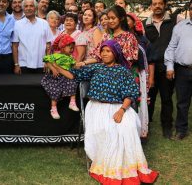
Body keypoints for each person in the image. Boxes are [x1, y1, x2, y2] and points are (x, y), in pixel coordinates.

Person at [55, 40, 158, 184]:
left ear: (115, 53)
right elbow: (73, 75)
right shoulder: (95, 68)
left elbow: (130, 94)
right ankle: (109, 166)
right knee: (109, 129)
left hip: (119, 107)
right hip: (96, 107)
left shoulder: (123, 71)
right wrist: (55, 66)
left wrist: (122, 111)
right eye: (102, 51)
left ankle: (126, 168)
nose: (104, 53)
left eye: (108, 51)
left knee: (128, 126)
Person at [143, 0, 176, 139]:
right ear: (151, 6)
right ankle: (146, 125)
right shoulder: (144, 24)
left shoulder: (175, 21)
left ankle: (167, 126)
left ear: (165, 5)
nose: (157, 6)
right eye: (154, 3)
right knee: (149, 97)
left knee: (166, 98)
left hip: (167, 67)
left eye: (160, 3)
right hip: (150, 67)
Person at [164, 0, 192, 140]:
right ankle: (181, 130)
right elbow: (171, 47)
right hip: (183, 70)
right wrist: (170, 66)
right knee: (182, 102)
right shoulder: (180, 27)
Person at [127, 12, 154, 139]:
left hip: (138, 74)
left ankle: (138, 131)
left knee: (137, 101)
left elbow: (150, 59)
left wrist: (151, 78)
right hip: (123, 74)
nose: (126, 22)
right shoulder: (117, 37)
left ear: (134, 22)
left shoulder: (142, 39)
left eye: (129, 19)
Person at [41, 34, 79, 119]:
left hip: (65, 76)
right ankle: (53, 108)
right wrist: (53, 69)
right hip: (56, 76)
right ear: (63, 47)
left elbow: (73, 65)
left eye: (73, 48)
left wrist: (76, 66)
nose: (72, 50)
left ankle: (72, 102)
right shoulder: (56, 55)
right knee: (55, 89)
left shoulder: (71, 58)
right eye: (70, 47)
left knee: (73, 83)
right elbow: (46, 60)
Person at [12, 0, 53, 74]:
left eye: (31, 6)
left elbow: (48, 45)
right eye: (26, 6)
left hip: (41, 64)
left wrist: (47, 62)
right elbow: (15, 46)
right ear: (23, 8)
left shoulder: (44, 23)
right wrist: (16, 64)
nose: (28, 8)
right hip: (23, 65)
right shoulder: (17, 24)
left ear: (35, 8)